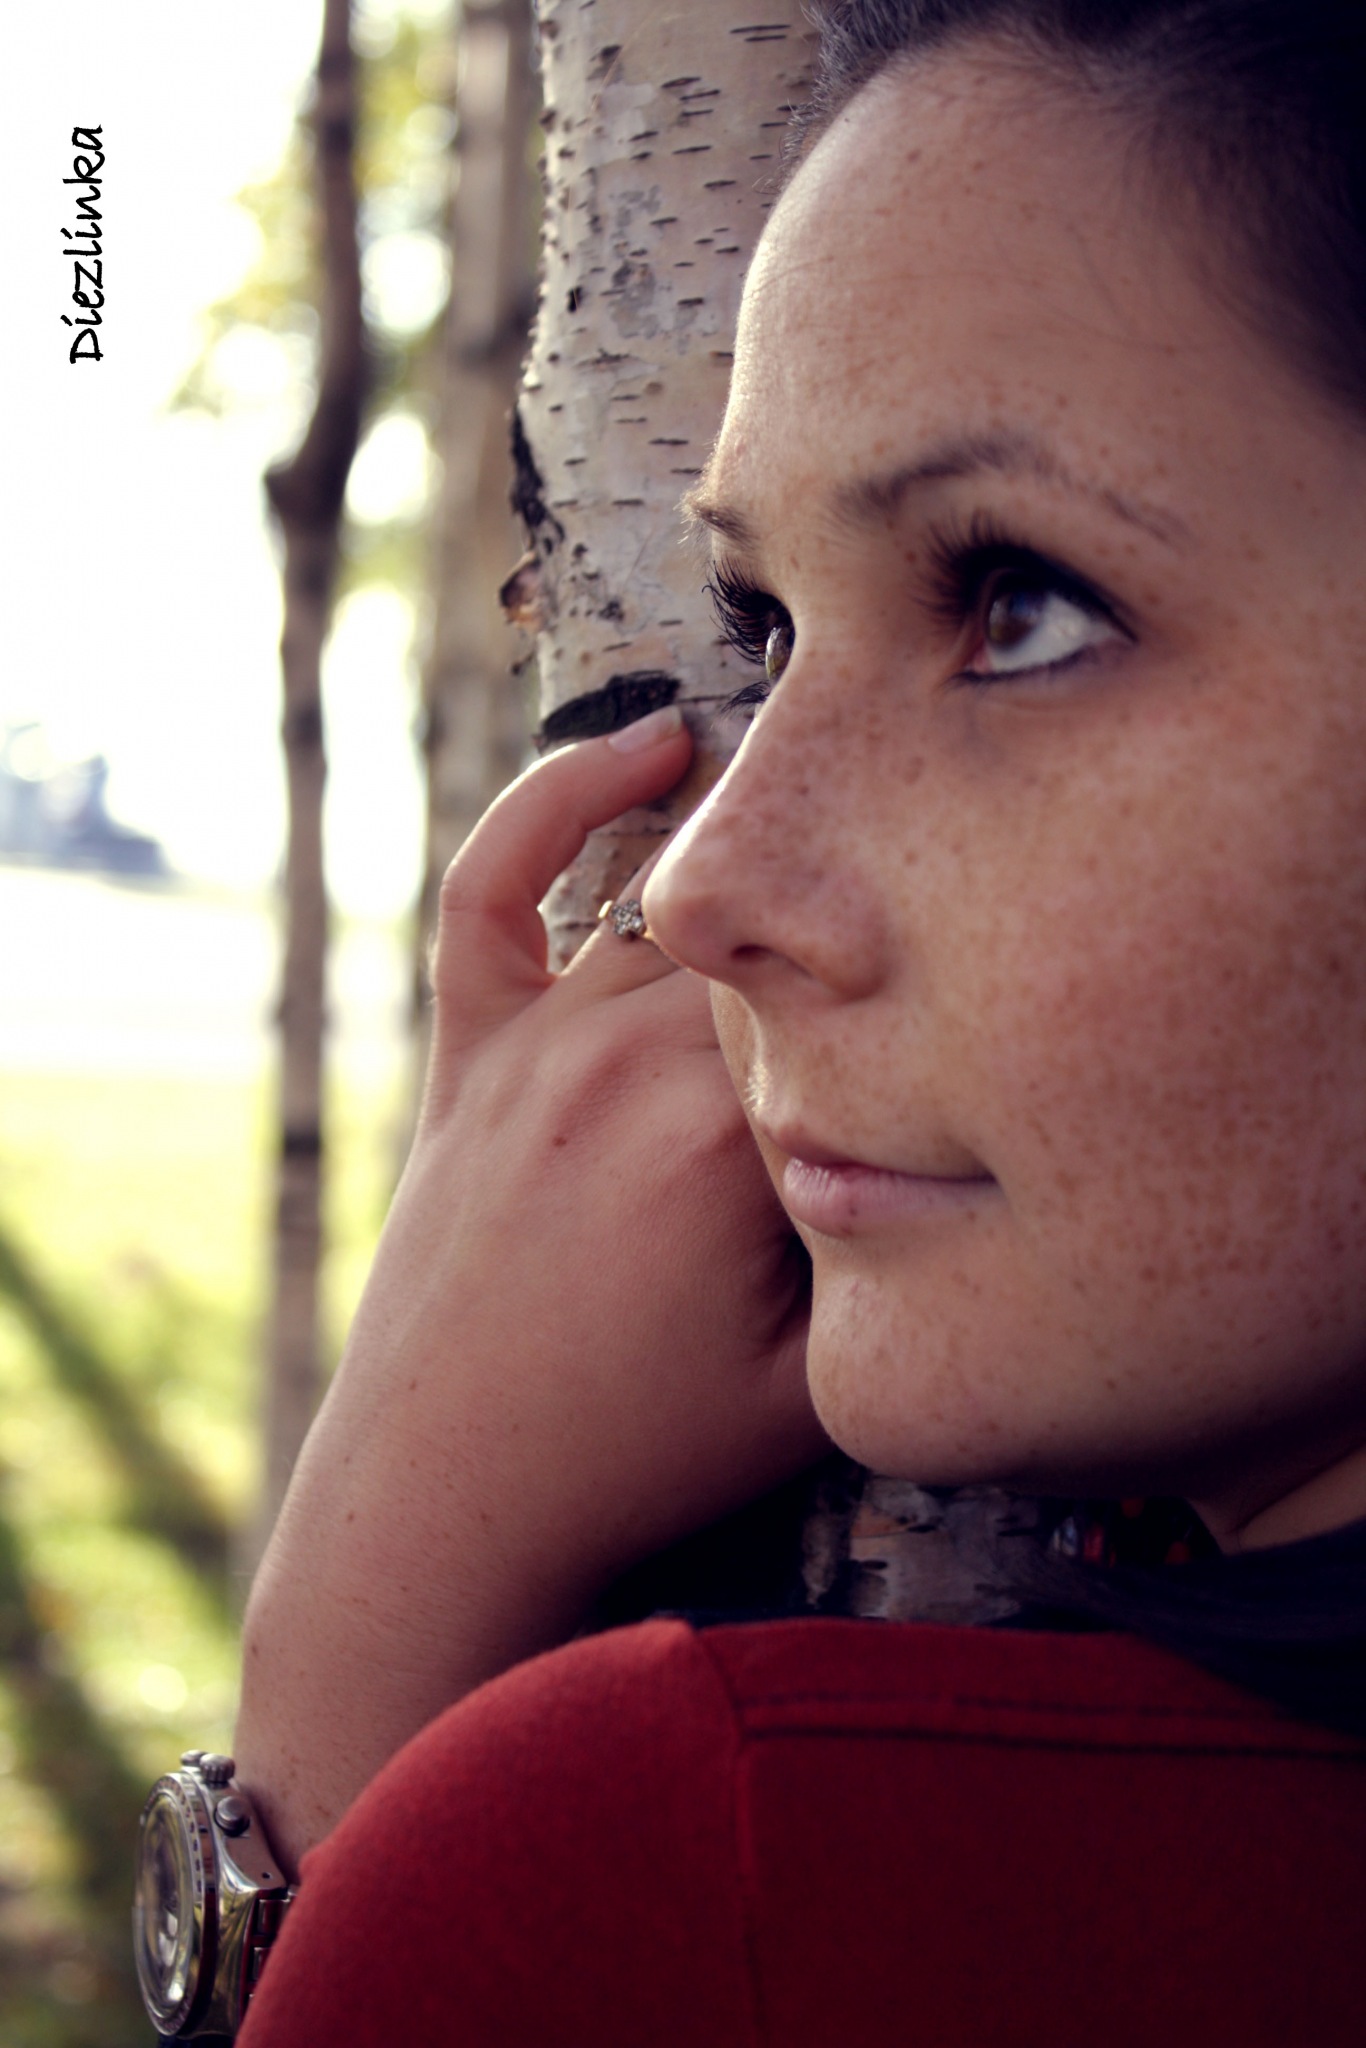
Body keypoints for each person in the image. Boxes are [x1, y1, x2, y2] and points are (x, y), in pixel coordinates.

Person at [232, 2, 1366, 2038]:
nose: (697, 889)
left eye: (1018, 603)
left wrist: (346, 1681)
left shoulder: (703, 1869)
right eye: (759, 628)